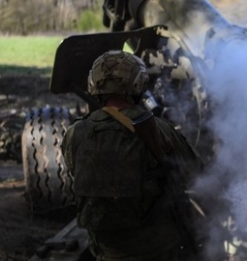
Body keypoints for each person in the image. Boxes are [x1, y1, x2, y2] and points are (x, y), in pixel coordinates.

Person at [63, 50, 202, 261]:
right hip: (159, 249)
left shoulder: (75, 133)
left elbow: (76, 172)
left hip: (106, 252)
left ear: (94, 83)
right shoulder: (158, 130)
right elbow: (194, 173)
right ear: (138, 83)